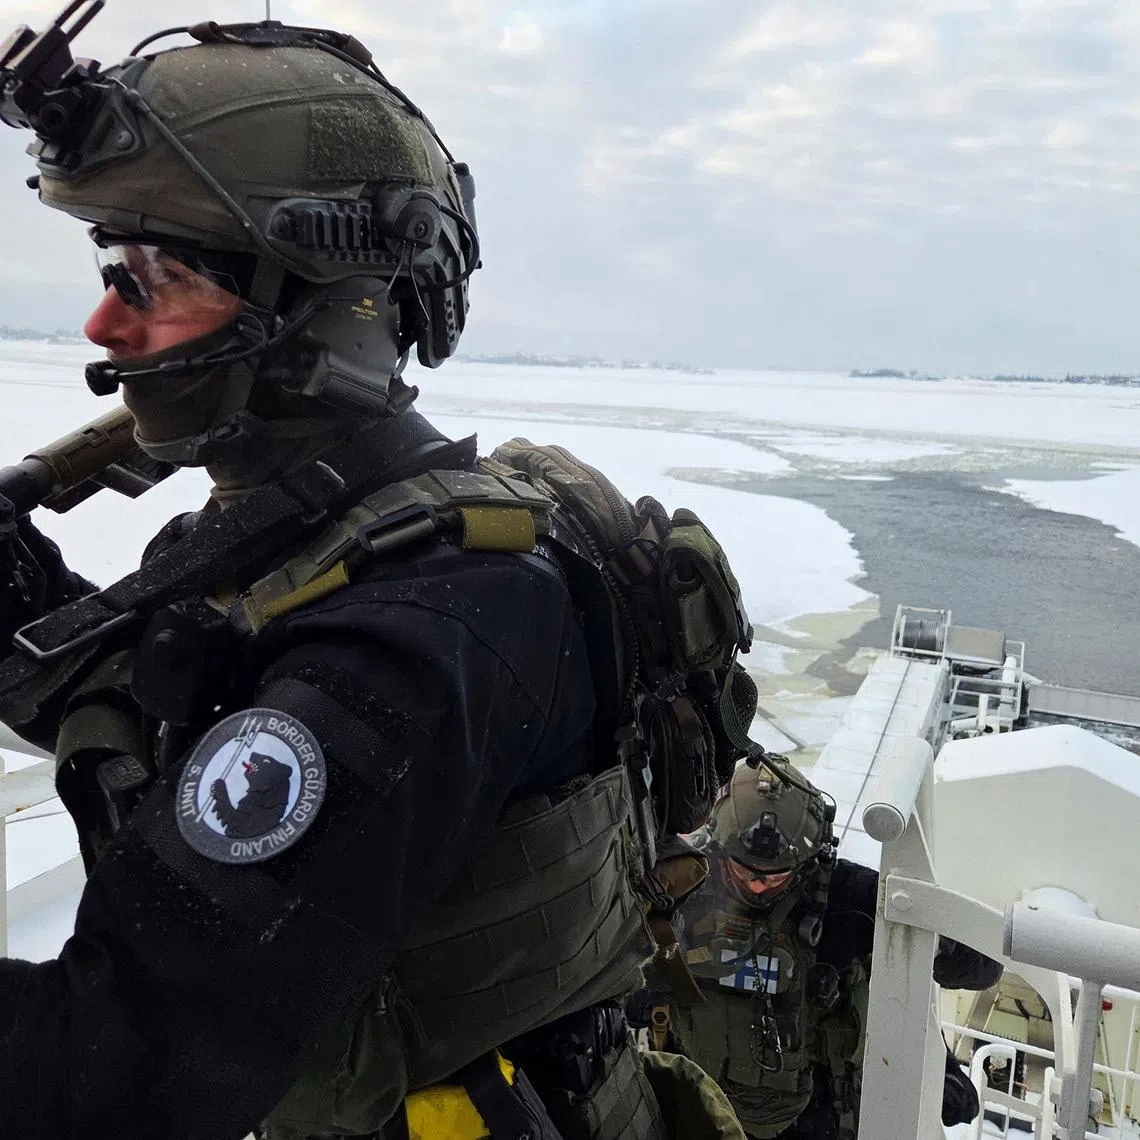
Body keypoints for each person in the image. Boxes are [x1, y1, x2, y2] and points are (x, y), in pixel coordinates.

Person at [0, 12, 748, 1140]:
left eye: (155, 277)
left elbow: (105, 1073)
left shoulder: (412, 636)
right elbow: (135, 700)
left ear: (315, 305)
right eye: (113, 268)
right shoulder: (303, 539)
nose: (105, 321)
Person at [627, 757, 1000, 1140]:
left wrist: (935, 935)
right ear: (719, 849)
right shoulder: (680, 885)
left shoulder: (846, 898)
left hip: (811, 1110)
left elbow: (982, 968)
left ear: (808, 858)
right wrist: (635, 993)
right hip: (698, 1098)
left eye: (775, 874)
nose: (757, 886)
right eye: (745, 871)